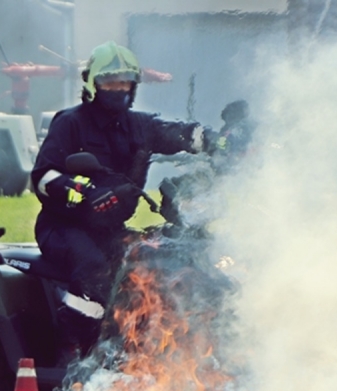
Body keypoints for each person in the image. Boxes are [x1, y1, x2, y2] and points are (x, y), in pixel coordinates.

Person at [31, 41, 212, 361]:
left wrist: (211, 138)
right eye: (110, 82)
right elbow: (43, 179)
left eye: (125, 82)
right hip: (64, 228)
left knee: (153, 260)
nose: (118, 89)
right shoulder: (70, 122)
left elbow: (174, 133)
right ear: (92, 84)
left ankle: (139, 344)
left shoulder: (138, 125)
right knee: (94, 269)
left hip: (110, 228)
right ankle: (73, 348)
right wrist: (82, 192)